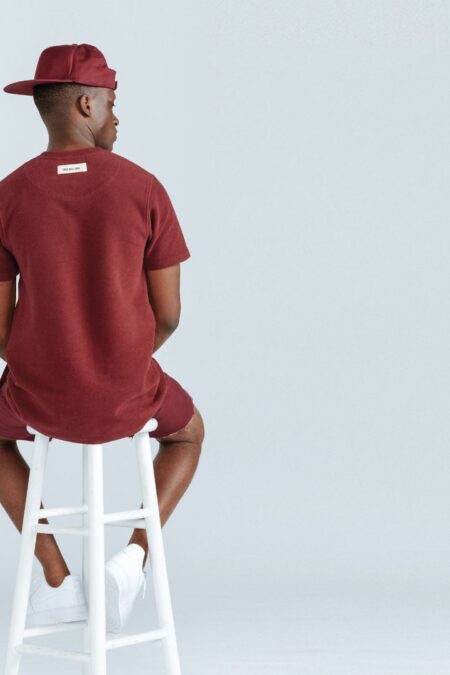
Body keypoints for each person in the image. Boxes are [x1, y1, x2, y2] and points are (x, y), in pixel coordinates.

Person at [0, 43, 204, 632]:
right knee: (189, 434)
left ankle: (56, 577)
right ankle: (133, 559)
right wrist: (115, 358)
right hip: (128, 392)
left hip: (37, 395)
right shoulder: (144, 188)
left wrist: (49, 363)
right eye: (113, 104)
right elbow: (169, 315)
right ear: (86, 104)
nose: (117, 118)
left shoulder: (7, 195)